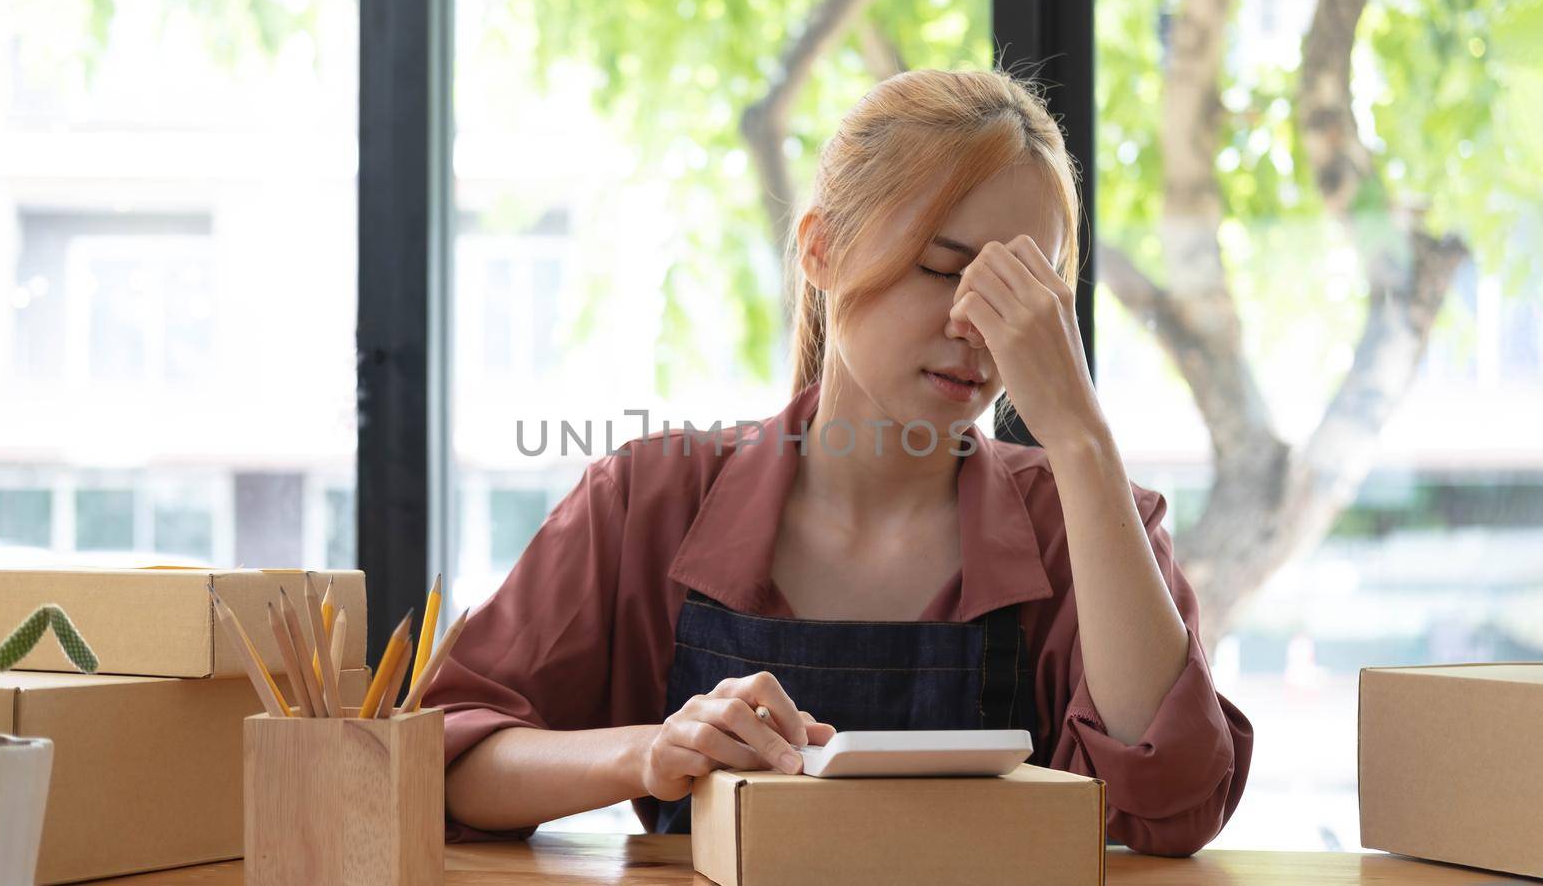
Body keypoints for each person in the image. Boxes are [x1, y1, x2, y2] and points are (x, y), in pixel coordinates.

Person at [425, 67, 1253, 857]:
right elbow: (445, 759)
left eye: (1017, 289)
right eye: (942, 266)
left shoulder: (1085, 520)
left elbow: (1172, 805)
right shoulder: (647, 500)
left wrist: (1080, 438)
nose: (977, 322)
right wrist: (649, 751)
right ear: (820, 249)